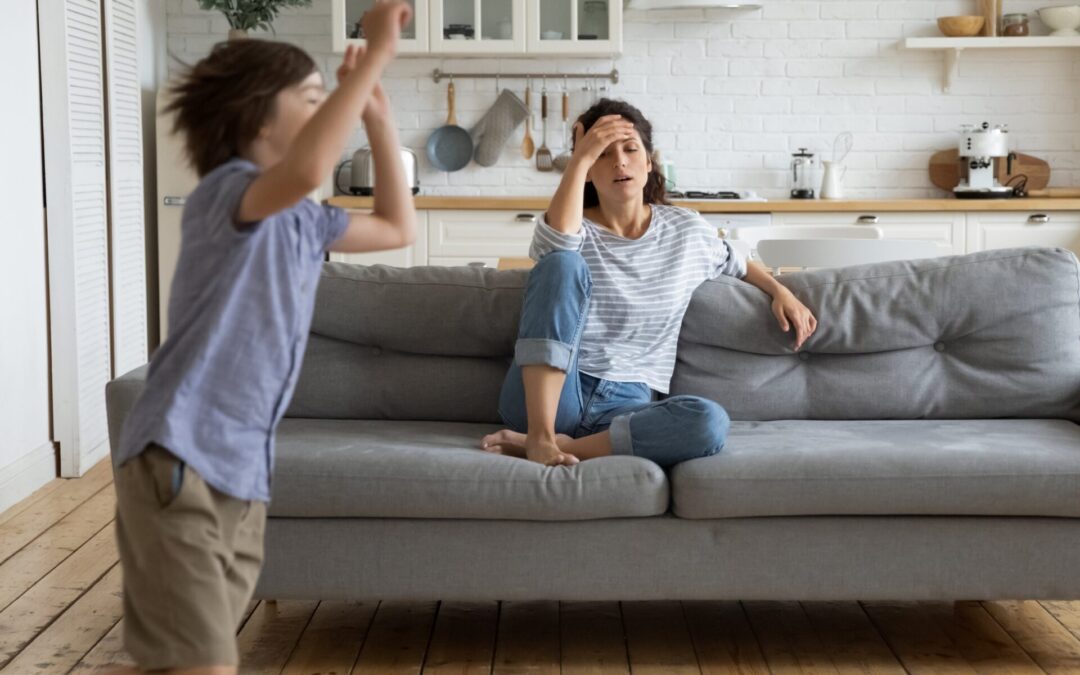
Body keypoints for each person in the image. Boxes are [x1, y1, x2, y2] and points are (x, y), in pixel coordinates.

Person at [108, 2, 416, 672]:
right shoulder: (224, 195)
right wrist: (376, 57)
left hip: (244, 476)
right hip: (178, 457)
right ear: (256, 116)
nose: (326, 107)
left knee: (203, 657)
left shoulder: (306, 223)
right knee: (201, 663)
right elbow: (306, 169)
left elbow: (397, 226)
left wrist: (380, 117)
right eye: (311, 98)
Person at [481, 99, 817, 468]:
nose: (620, 162)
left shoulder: (685, 230)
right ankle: (541, 436)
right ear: (589, 169)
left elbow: (737, 261)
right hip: (551, 392)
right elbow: (558, 246)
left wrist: (780, 290)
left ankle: (554, 446)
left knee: (709, 422)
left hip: (627, 404)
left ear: (648, 161)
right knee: (561, 264)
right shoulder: (572, 227)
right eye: (603, 153)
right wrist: (578, 158)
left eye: (629, 149)